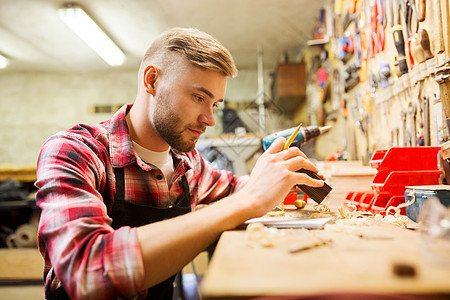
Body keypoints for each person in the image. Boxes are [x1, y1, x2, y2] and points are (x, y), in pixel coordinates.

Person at [35, 27, 325, 300]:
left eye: (215, 105)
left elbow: (237, 187)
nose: (210, 119)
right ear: (152, 81)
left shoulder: (187, 164)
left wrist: (280, 176)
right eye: (199, 97)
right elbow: (86, 273)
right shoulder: (76, 151)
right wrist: (247, 201)